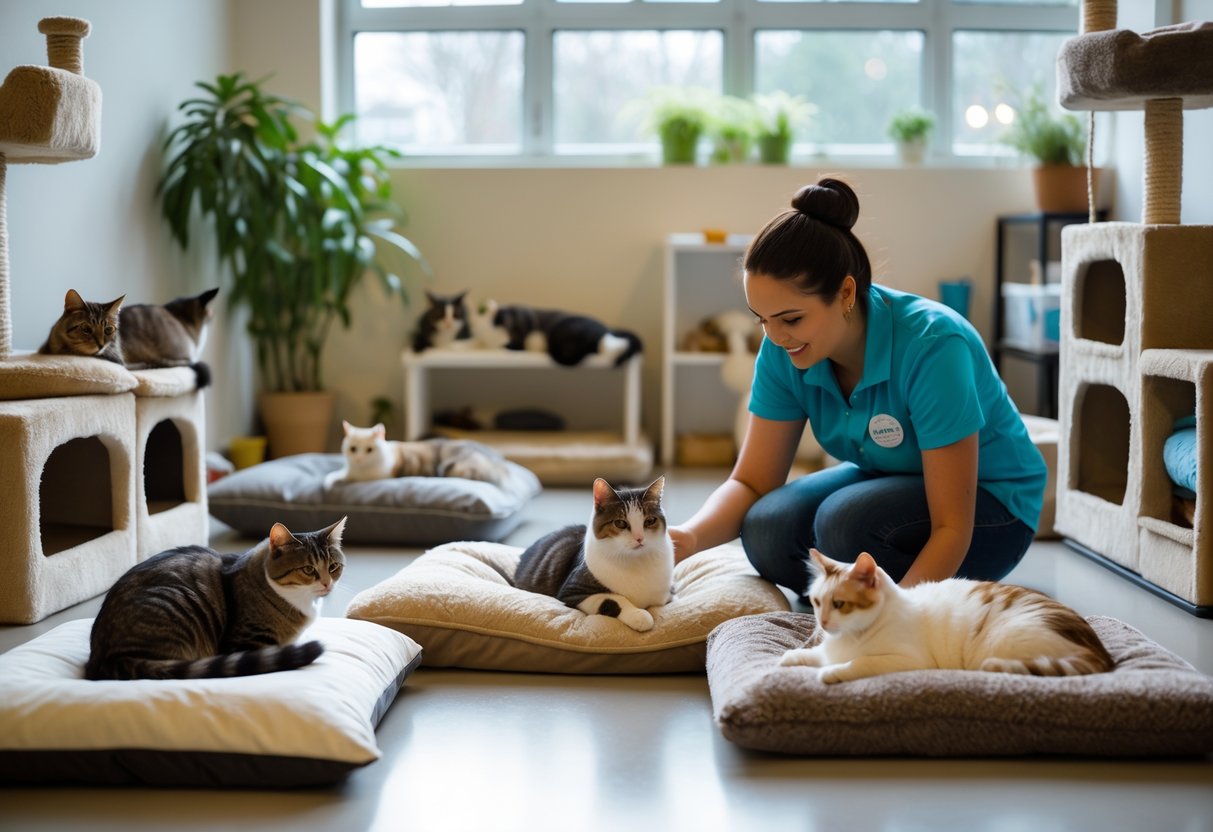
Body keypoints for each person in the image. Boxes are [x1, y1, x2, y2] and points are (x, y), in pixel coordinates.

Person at [669, 177, 1046, 595]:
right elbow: (752, 482)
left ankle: (885, 597)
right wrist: (688, 538)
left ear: (846, 292)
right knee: (764, 529)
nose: (775, 336)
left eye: (791, 319)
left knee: (844, 525)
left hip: (989, 508)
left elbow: (951, 526)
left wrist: (904, 619)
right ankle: (855, 596)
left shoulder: (934, 346)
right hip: (889, 477)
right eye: (762, 318)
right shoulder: (783, 347)